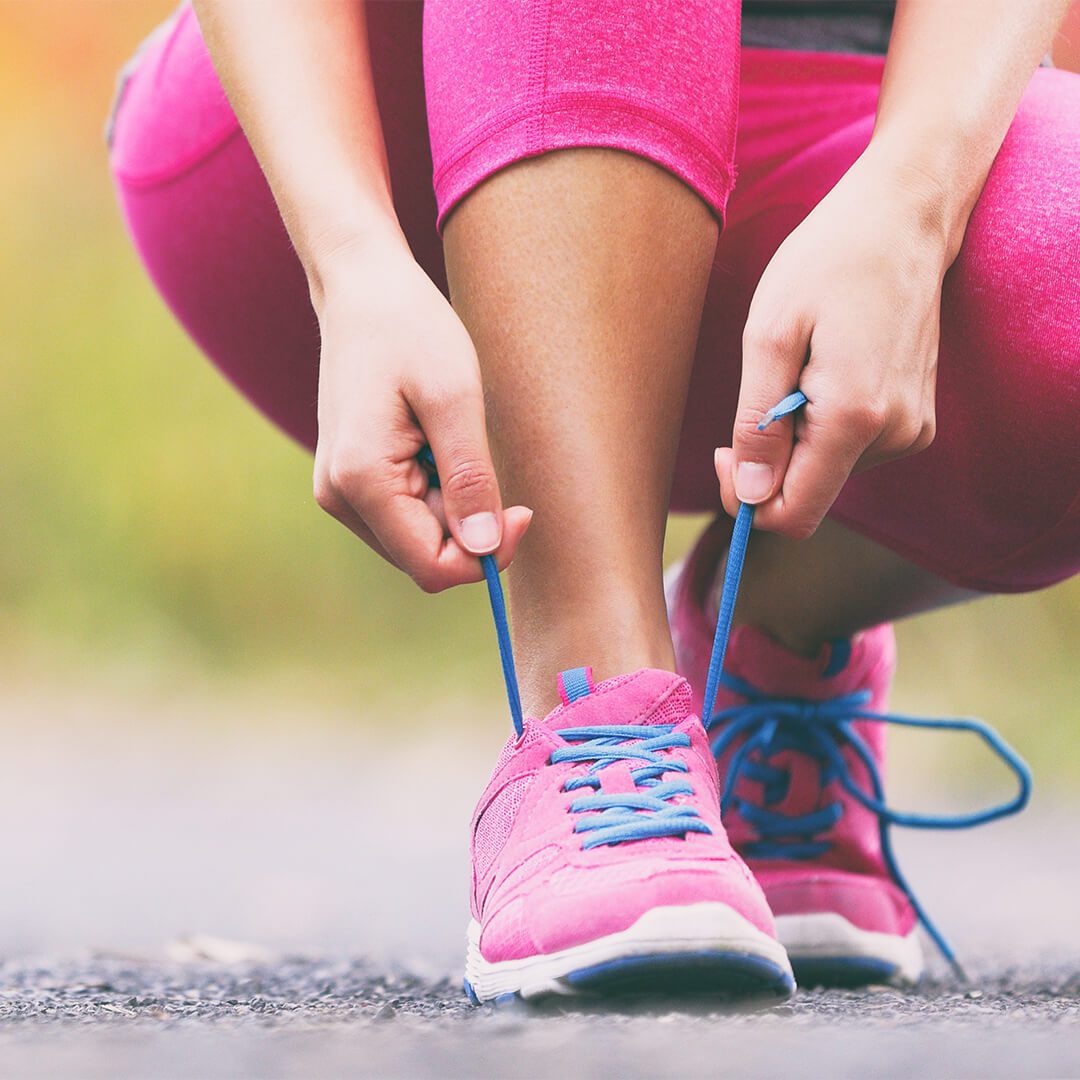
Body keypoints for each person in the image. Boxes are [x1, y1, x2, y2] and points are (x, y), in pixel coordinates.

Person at [107, 0, 1079, 1002]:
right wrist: (350, 262)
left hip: (863, 128)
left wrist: (913, 206)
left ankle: (770, 638)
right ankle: (601, 715)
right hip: (368, 135)